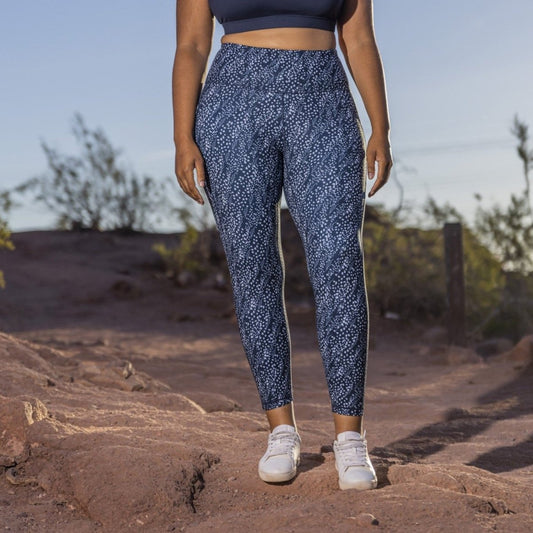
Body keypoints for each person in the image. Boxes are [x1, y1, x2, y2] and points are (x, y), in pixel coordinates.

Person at [172, 0, 393, 491]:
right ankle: (281, 430)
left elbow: (359, 38)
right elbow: (191, 46)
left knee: (340, 260)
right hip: (232, 105)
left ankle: (350, 437)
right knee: (253, 268)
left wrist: (380, 125)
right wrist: (182, 137)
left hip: (324, 101)